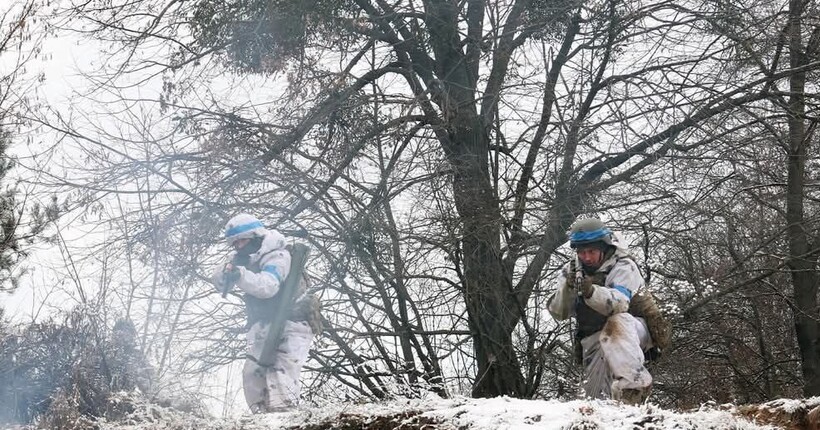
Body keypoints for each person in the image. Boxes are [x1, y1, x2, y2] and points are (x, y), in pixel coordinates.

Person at [211, 213, 320, 413]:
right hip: (264, 323)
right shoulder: (243, 258)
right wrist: (227, 272)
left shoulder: (278, 256)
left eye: (242, 241)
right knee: (253, 374)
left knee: (280, 374)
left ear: (255, 236)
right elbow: (219, 280)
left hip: (293, 323)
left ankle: (285, 420)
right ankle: (262, 420)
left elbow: (268, 286)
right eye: (234, 243)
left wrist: (241, 275)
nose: (238, 247)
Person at [548, 217, 653, 404]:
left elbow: (620, 304)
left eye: (591, 251)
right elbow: (559, 313)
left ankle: (634, 388)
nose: (586, 257)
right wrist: (567, 288)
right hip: (595, 338)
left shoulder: (623, 265)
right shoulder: (570, 269)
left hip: (634, 331)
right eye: (581, 252)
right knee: (595, 402)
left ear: (603, 247)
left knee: (617, 323)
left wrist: (591, 291)